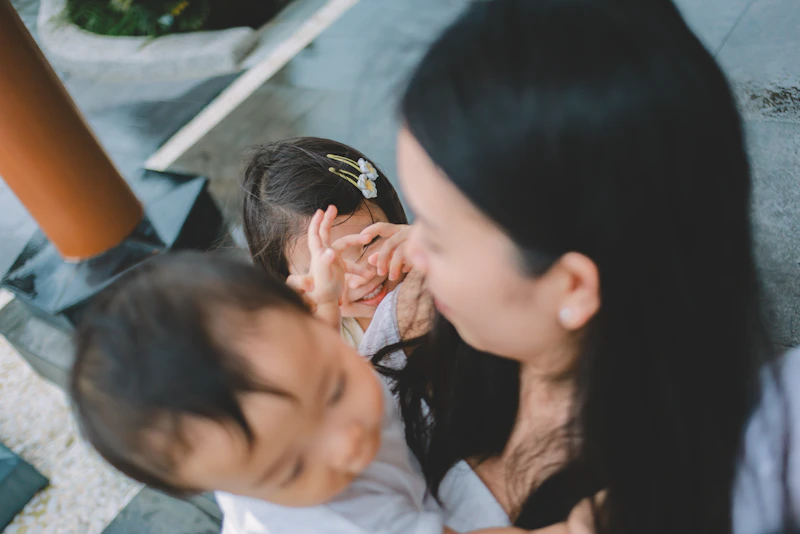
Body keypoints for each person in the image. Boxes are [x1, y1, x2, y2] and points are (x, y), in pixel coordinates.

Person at [359, 0, 793, 533]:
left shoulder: (720, 483)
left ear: (572, 287)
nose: (410, 255)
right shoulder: (410, 320)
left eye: (440, 237)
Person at [69, 248, 596, 534]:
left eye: (333, 389)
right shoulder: (332, 520)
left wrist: (325, 302)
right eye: (292, 468)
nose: (346, 445)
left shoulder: (275, 399)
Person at [241, 137, 413, 348]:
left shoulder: (431, 264)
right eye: (330, 265)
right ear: (287, 280)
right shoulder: (319, 345)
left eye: (371, 240)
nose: (363, 276)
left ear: (391, 216)